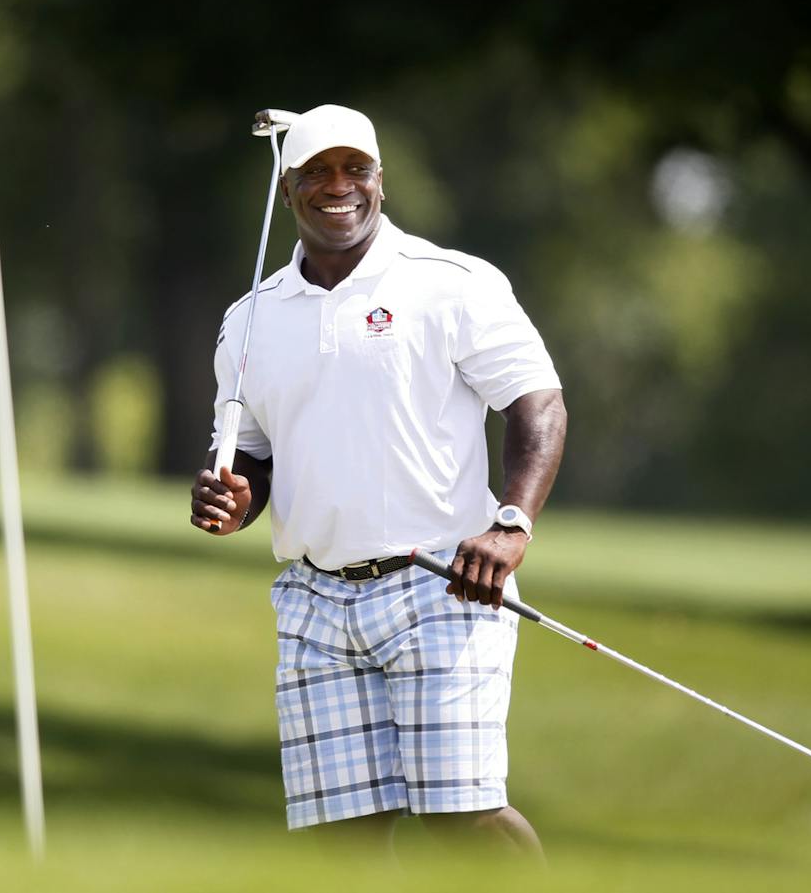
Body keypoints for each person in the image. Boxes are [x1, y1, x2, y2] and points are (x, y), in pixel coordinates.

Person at [190, 104, 567, 856]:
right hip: (314, 598)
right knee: (340, 835)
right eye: (319, 172)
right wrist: (236, 499)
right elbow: (253, 454)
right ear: (289, 186)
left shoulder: (452, 283)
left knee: (461, 813)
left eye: (356, 169)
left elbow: (538, 400)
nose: (340, 186)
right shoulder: (250, 319)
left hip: (442, 584)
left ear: (381, 184)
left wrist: (511, 522)